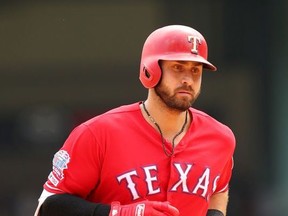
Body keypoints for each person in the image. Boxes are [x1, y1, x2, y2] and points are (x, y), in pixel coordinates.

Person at [34, 25, 236, 216]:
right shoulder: (98, 134)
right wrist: (118, 213)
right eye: (177, 67)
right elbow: (47, 207)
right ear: (150, 70)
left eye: (195, 70)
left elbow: (219, 189)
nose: (188, 79)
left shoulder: (220, 138)